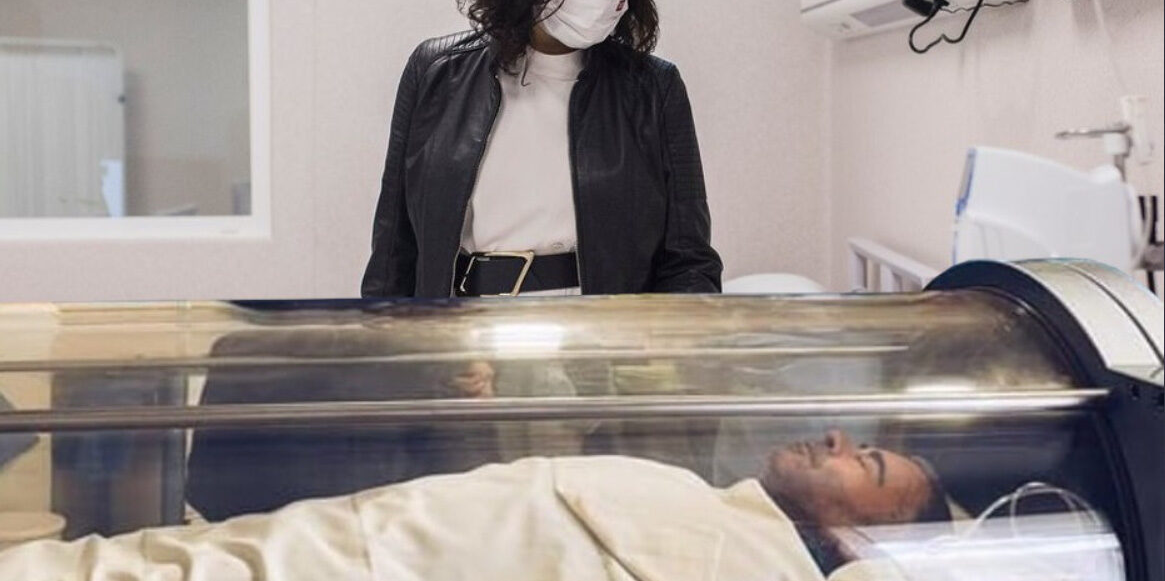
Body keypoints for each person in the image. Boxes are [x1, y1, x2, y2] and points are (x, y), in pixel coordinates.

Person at [362, 0, 722, 298]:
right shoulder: (435, 72)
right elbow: (393, 255)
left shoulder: (653, 90)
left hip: (599, 331)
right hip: (464, 327)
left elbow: (689, 264)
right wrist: (384, 338)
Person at [0, 431, 949, 580]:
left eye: (864, 460)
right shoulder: (697, 497)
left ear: (856, 537)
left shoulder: (745, 564)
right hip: (330, 540)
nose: (835, 438)